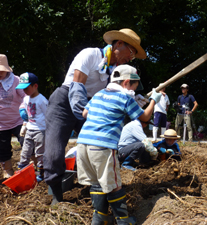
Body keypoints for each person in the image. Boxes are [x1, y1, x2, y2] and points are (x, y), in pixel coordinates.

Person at [43, 28, 147, 205]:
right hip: (66, 101)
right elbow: (77, 87)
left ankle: (99, 187)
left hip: (92, 105)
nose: (131, 58)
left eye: (134, 56)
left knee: (100, 145)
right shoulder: (91, 54)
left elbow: (115, 94)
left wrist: (131, 97)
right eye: (131, 52)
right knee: (54, 153)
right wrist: (85, 113)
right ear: (119, 44)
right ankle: (55, 190)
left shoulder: (116, 71)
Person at [76, 64, 162, 225]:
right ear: (126, 82)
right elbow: (144, 117)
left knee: (97, 182)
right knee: (115, 185)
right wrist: (153, 101)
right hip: (103, 146)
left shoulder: (99, 94)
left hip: (83, 144)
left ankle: (100, 218)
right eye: (135, 86)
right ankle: (123, 220)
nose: (135, 91)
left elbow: (84, 113)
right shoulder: (125, 98)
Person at [15, 72, 48, 182]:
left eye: (26, 88)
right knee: (25, 151)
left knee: (40, 153)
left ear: (35, 86)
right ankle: (21, 172)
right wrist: (24, 124)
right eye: (22, 89)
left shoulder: (42, 100)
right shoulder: (26, 99)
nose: (24, 91)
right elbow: (27, 114)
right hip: (30, 128)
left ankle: (40, 173)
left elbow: (48, 116)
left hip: (40, 130)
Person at [0, 54, 25, 179]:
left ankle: (32, 166)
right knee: (2, 148)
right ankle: (8, 171)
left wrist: (27, 111)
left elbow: (25, 96)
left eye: (1, 71)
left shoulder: (15, 81)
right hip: (1, 124)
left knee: (26, 141)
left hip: (18, 120)